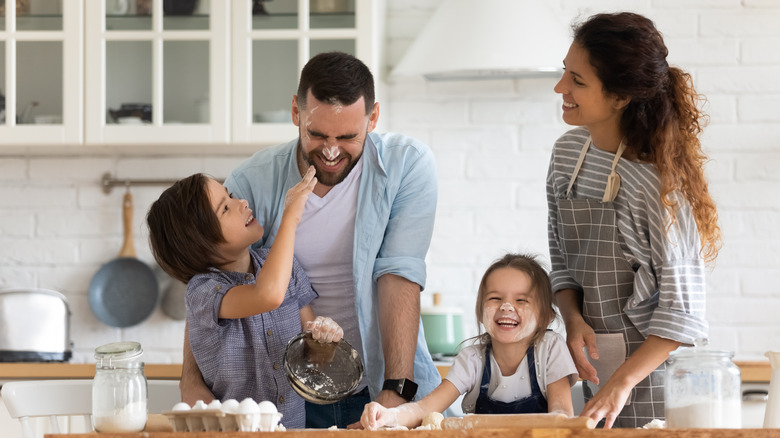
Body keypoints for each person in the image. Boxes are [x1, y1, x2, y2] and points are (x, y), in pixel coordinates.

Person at [179, 51, 441, 429]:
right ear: (295, 112)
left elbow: (398, 275)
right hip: (285, 399)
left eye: (348, 136)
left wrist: (395, 392)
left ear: (373, 118)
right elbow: (209, 279)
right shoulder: (251, 181)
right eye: (317, 134)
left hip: (382, 388)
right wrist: (191, 380)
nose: (331, 151)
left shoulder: (407, 166)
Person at [546, 12, 722, 428]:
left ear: (620, 97)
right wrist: (572, 320)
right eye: (564, 73)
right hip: (595, 369)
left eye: (578, 80)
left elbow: (682, 312)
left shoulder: (655, 185)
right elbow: (562, 261)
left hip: (658, 384)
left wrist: (621, 383)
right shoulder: (567, 153)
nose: (561, 88)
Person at [147, 168, 345, 429]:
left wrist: (324, 340)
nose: (242, 202)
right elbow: (267, 295)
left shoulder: (287, 268)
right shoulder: (203, 292)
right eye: (225, 209)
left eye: (230, 196)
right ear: (200, 242)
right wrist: (291, 217)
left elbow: (311, 359)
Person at [361, 253, 578, 430]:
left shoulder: (550, 348)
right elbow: (424, 409)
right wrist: (389, 416)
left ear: (546, 317)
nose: (506, 307)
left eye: (521, 300)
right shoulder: (473, 359)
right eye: (495, 298)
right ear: (480, 309)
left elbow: (562, 416)